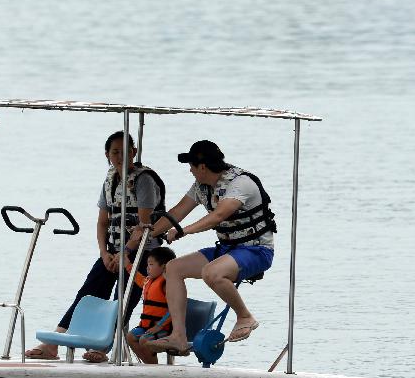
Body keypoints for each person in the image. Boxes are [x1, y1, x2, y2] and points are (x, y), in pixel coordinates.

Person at [24, 131, 166, 363]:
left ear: (134, 152)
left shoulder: (144, 181)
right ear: (107, 155)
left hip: (142, 252)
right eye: (115, 152)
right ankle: (54, 343)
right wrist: (104, 252)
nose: (120, 156)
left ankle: (104, 347)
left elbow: (144, 225)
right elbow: (102, 222)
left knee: (124, 296)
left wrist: (125, 253)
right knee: (88, 294)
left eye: (125, 151)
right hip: (112, 250)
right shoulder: (110, 180)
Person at [144, 140, 276, 354]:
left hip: (256, 250)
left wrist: (184, 231)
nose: (190, 170)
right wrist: (148, 233)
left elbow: (219, 215)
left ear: (202, 167)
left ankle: (245, 316)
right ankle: (178, 336)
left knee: (211, 273)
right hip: (227, 249)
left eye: (192, 166)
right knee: (173, 268)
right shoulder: (201, 187)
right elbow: (177, 212)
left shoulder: (240, 183)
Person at [124, 247, 176, 364]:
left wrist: (160, 325)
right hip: (147, 327)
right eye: (147, 264)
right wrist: (127, 265)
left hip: (164, 329)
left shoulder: (167, 284)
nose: (147, 267)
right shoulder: (149, 281)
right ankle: (150, 364)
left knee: (144, 339)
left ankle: (152, 366)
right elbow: (137, 278)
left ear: (164, 267)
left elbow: (175, 310)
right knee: (130, 337)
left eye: (151, 264)